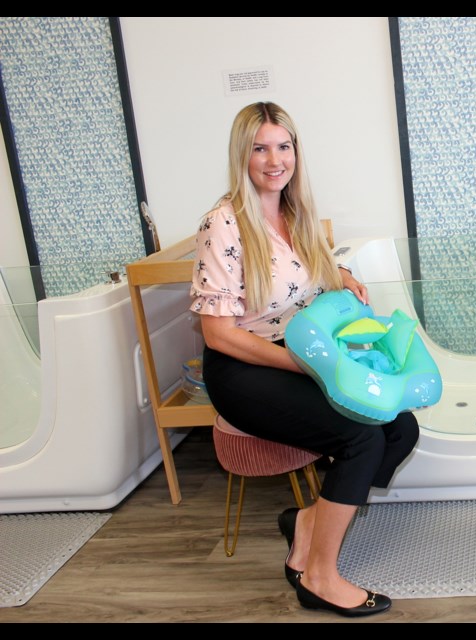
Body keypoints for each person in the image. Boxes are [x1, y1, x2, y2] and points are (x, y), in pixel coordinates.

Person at [190, 102, 419, 618]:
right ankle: (319, 577)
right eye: (260, 148)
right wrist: (303, 366)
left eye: (284, 146)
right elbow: (219, 335)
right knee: (362, 438)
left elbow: (299, 272)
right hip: (245, 368)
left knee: (400, 427)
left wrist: (339, 274)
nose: (275, 160)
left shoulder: (297, 211)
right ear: (241, 156)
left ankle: (309, 523)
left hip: (304, 354)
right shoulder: (222, 224)